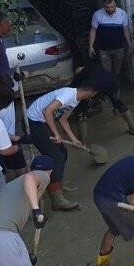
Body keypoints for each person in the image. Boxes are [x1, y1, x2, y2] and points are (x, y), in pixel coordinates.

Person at [26, 83, 98, 211]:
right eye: (94, 94)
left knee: (63, 152)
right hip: (33, 121)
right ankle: (57, 199)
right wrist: (56, 134)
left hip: (43, 121)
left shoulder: (75, 100)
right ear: (91, 92)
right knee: (56, 157)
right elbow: (47, 111)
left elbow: (63, 119)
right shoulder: (67, 95)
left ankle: (57, 183)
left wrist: (74, 139)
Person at [69, 64, 134, 136]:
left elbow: (74, 92)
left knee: (81, 113)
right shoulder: (96, 68)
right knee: (121, 105)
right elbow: (116, 89)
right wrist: (116, 105)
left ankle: (83, 142)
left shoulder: (80, 77)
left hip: (93, 88)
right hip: (110, 84)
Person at [0, 74, 28, 181]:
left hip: (12, 138)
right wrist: (19, 139)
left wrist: (22, 76)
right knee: (1, 176)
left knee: (23, 172)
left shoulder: (9, 90)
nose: (11, 91)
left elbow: (17, 83)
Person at [88, 0, 131, 90]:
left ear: (116, 5)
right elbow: (93, 31)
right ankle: (109, 90)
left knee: (117, 71)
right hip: (104, 50)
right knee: (106, 72)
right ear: (104, 6)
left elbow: (126, 30)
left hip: (119, 48)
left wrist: (129, 44)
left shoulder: (122, 13)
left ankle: (116, 88)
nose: (110, 9)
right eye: (108, 7)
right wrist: (90, 46)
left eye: (112, 7)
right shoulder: (97, 14)